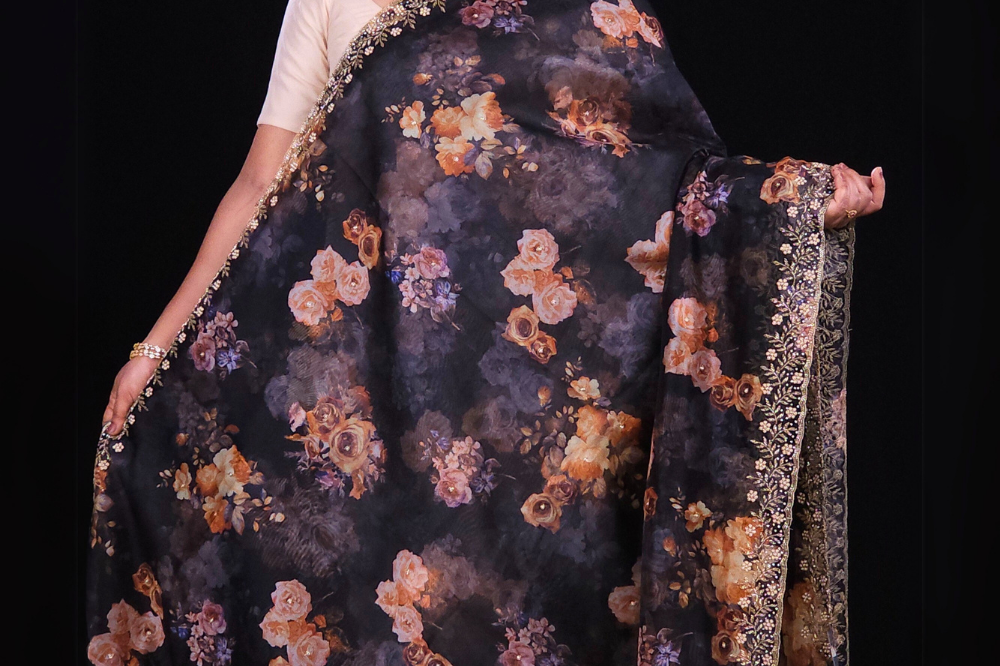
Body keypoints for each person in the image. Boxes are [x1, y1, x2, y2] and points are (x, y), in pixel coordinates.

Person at [88, 2, 884, 665]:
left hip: (513, 428)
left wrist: (787, 201)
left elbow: (661, 181)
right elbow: (263, 182)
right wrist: (155, 349)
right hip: (364, 415)